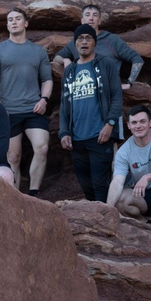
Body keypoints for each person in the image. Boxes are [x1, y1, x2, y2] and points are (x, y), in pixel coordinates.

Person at [0, 8, 53, 195]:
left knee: (42, 147)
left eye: (17, 19)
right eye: (10, 20)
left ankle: (33, 193)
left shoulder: (38, 51)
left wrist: (44, 99)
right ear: (7, 25)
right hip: (8, 111)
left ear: (26, 23)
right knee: (13, 157)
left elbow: (47, 80)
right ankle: (16, 197)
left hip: (34, 109)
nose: (13, 22)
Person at [59, 25, 123, 202]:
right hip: (77, 138)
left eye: (88, 38)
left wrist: (110, 124)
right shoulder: (69, 71)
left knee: (100, 184)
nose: (84, 42)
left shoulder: (106, 64)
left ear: (95, 42)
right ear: (75, 43)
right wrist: (64, 132)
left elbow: (117, 97)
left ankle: (104, 223)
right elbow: (64, 105)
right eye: (80, 38)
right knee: (85, 184)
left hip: (100, 135)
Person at [54, 4, 144, 90]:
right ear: (82, 20)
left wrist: (129, 83)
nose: (91, 18)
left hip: (108, 93)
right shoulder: (77, 42)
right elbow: (57, 57)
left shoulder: (112, 40)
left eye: (95, 15)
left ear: (99, 21)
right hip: (83, 92)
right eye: (87, 15)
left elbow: (137, 59)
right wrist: (65, 60)